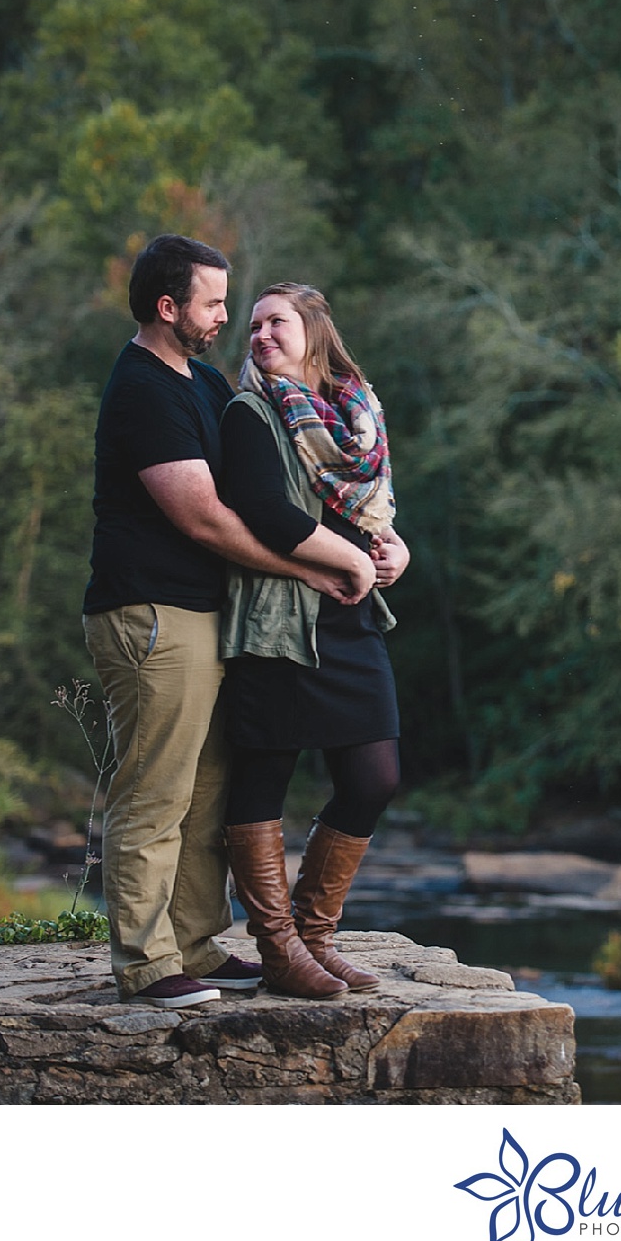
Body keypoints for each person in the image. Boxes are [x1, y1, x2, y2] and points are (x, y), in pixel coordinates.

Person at [82, 238, 377, 1008]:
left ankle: (198, 944)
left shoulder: (204, 384)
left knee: (207, 789)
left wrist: (376, 539)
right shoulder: (144, 388)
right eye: (214, 304)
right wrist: (309, 568)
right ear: (167, 308)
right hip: (151, 612)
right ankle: (147, 966)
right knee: (154, 793)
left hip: (206, 615)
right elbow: (206, 519)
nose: (225, 317)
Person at [216, 282, 410, 999]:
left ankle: (317, 937)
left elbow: (371, 514)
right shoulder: (248, 412)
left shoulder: (358, 413)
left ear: (315, 333)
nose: (261, 334)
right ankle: (278, 949)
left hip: (350, 618)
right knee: (264, 777)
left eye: (277, 323)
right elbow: (264, 511)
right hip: (276, 618)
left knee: (374, 777)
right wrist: (354, 558)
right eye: (254, 325)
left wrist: (392, 553)